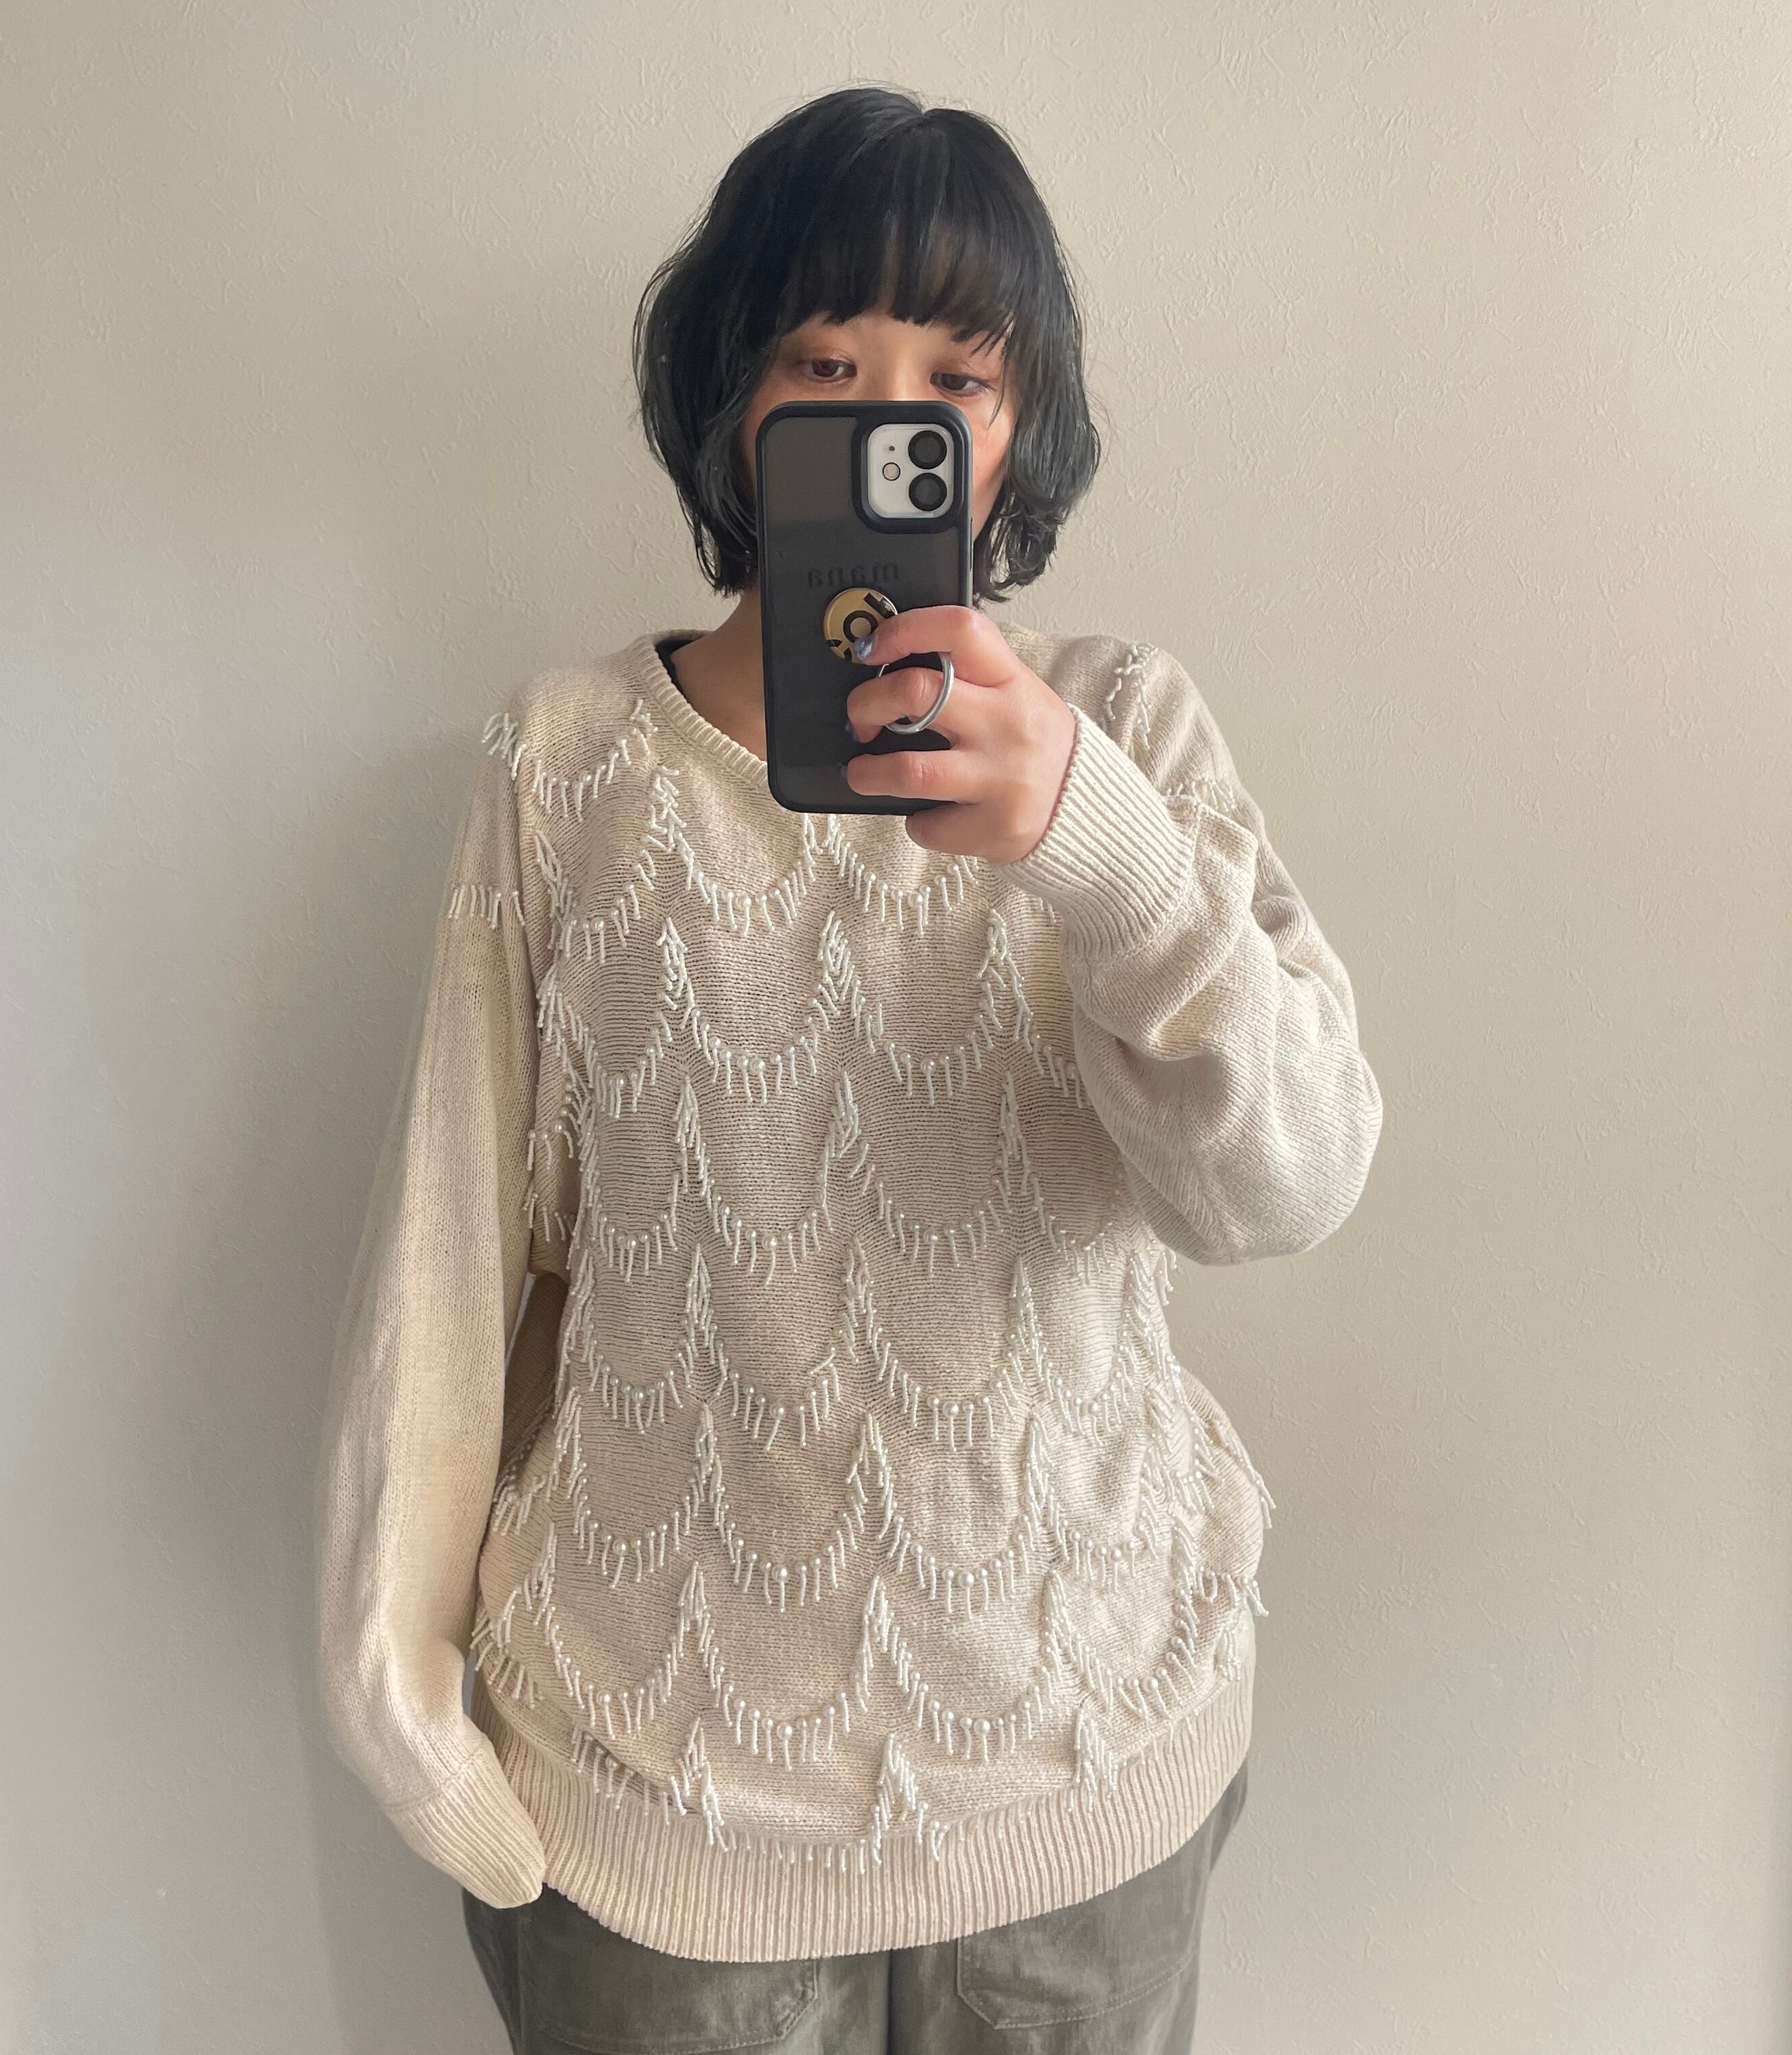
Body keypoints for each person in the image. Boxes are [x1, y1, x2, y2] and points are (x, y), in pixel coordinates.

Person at [313, 84, 1382, 2054]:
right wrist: (394, 1670)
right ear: (732, 395)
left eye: (956, 379)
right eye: (824, 364)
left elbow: (1289, 1185)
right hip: (661, 1810)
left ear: (1019, 427)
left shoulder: (1128, 729)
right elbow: (451, 1255)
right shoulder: (564, 767)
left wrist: (1102, 854)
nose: (892, 418)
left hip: (1082, 1778)